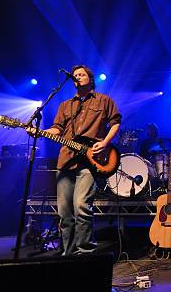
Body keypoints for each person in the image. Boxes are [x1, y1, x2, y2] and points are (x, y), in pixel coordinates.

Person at [39, 65, 121, 255]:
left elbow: (115, 123)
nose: (77, 77)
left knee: (82, 206)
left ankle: (85, 252)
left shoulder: (103, 100)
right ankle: (67, 253)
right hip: (66, 160)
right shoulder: (65, 105)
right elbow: (57, 129)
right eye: (75, 75)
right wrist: (39, 132)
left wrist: (105, 142)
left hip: (91, 161)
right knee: (64, 213)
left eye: (81, 74)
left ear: (90, 79)